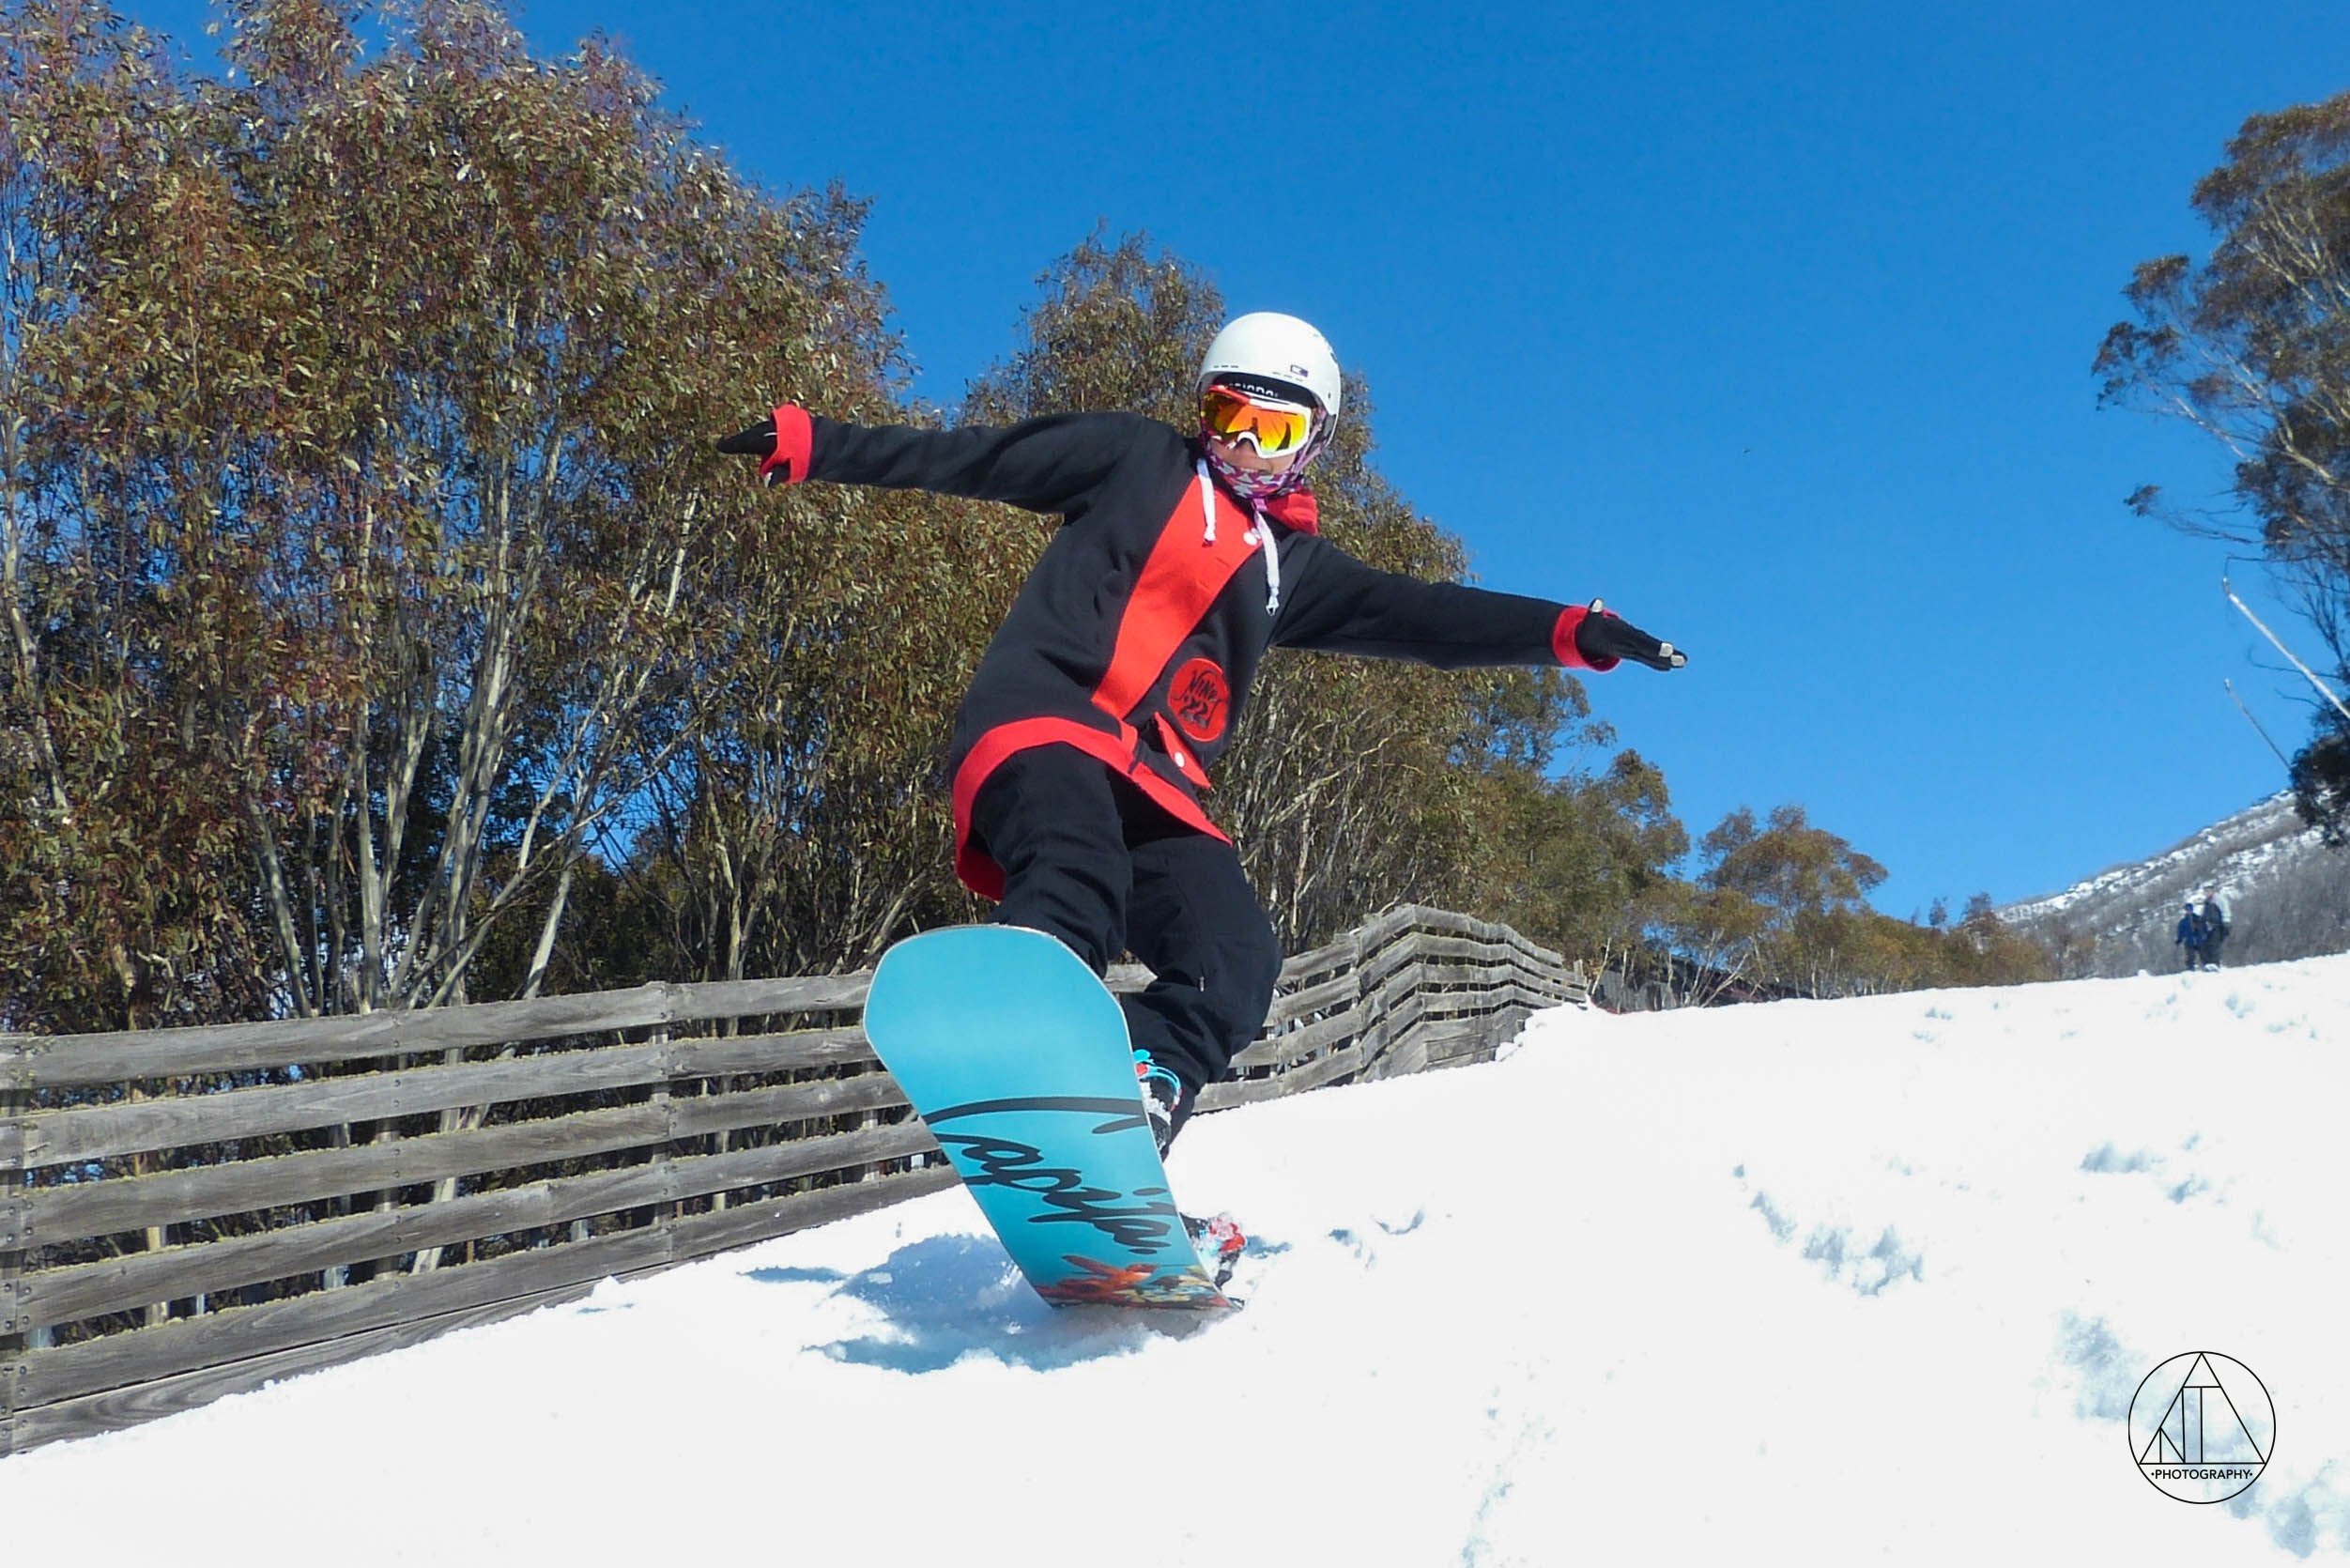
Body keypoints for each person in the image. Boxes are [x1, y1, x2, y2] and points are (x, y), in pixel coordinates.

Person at [718, 313, 1686, 1153]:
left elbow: (1428, 616)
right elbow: (972, 457)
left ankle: (1138, 1095)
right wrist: (816, 440)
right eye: (1229, 417)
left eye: (1275, 429)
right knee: (1076, 866)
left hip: (1159, 783)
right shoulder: (1131, 456)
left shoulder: (1291, 567)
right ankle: (1030, 1023)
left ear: (1313, 442)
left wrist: (1570, 631)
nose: (1246, 446)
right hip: (1044, 721)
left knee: (1236, 956)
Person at [2199, 891, 2232, 970]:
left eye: (2209, 890)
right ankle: (2208, 964)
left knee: (2214, 945)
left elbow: (2225, 911)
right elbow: (2203, 916)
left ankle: (2215, 964)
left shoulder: (2219, 900)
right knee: (2205, 946)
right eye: (2206, 890)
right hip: (2206, 928)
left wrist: (2226, 923)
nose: (2207, 892)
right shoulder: (2206, 903)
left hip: (2217, 926)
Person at [2174, 897, 2206, 972]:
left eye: (2190, 909)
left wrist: (2205, 935)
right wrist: (2179, 939)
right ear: (2185, 910)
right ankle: (2190, 970)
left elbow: (2204, 928)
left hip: (2199, 940)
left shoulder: (2198, 919)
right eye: (2187, 910)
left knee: (2204, 956)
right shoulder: (2183, 921)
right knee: (2190, 957)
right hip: (2189, 942)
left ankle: (2206, 968)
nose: (2189, 911)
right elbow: (2180, 932)